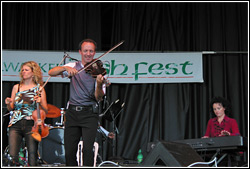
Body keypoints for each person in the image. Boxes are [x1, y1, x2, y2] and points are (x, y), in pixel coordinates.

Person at [48, 38, 107, 166]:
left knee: (87, 150)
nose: (88, 53)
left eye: (91, 51)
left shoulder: (100, 72)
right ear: (80, 52)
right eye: (85, 50)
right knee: (69, 151)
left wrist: (98, 84)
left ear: (94, 53)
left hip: (89, 114)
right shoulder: (72, 66)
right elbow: (51, 72)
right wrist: (65, 68)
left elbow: (98, 98)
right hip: (72, 113)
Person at [5, 61, 48, 166]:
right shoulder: (17, 87)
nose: (23, 72)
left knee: (32, 155)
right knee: (12, 156)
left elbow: (46, 110)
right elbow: (11, 108)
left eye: (26, 70)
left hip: (31, 124)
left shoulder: (39, 89)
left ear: (33, 73)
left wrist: (39, 103)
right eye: (22, 70)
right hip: (16, 123)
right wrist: (8, 103)